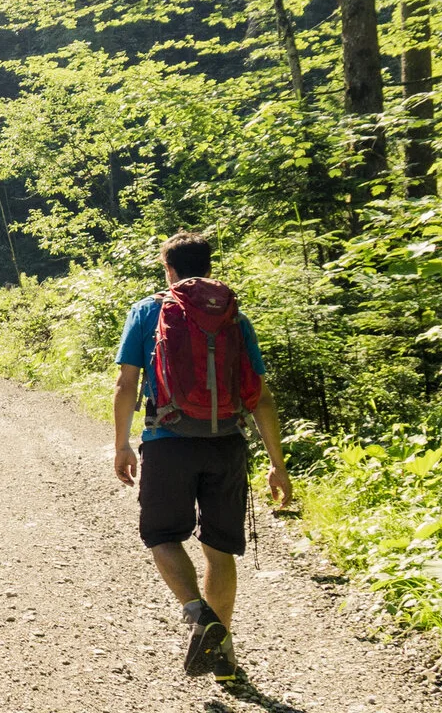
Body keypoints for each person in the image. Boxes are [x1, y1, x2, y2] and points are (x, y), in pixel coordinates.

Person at [111, 232, 294, 683]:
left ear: (168, 269)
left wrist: (120, 443)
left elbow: (125, 385)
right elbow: (262, 398)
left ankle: (199, 615)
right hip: (226, 443)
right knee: (219, 550)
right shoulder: (235, 318)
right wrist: (278, 464)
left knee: (161, 536)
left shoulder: (148, 310)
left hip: (167, 440)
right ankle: (225, 655)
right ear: (208, 269)